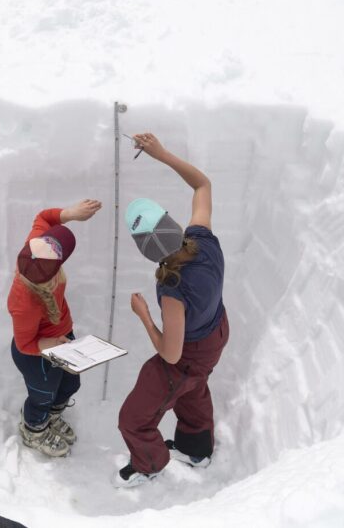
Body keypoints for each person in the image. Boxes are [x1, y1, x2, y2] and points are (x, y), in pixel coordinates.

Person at [115, 132, 229, 487]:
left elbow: (170, 352)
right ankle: (197, 449)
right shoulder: (202, 239)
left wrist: (145, 316)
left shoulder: (173, 290)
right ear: (172, 222)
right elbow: (202, 184)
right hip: (216, 332)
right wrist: (161, 154)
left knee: (133, 418)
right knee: (194, 390)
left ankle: (149, 463)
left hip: (188, 353)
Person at [8, 199, 102, 457]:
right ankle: (34, 428)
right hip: (36, 355)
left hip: (62, 339)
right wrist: (49, 346)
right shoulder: (24, 303)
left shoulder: (36, 247)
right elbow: (23, 343)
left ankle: (53, 416)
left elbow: (44, 217)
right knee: (43, 394)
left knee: (70, 384)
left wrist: (71, 214)